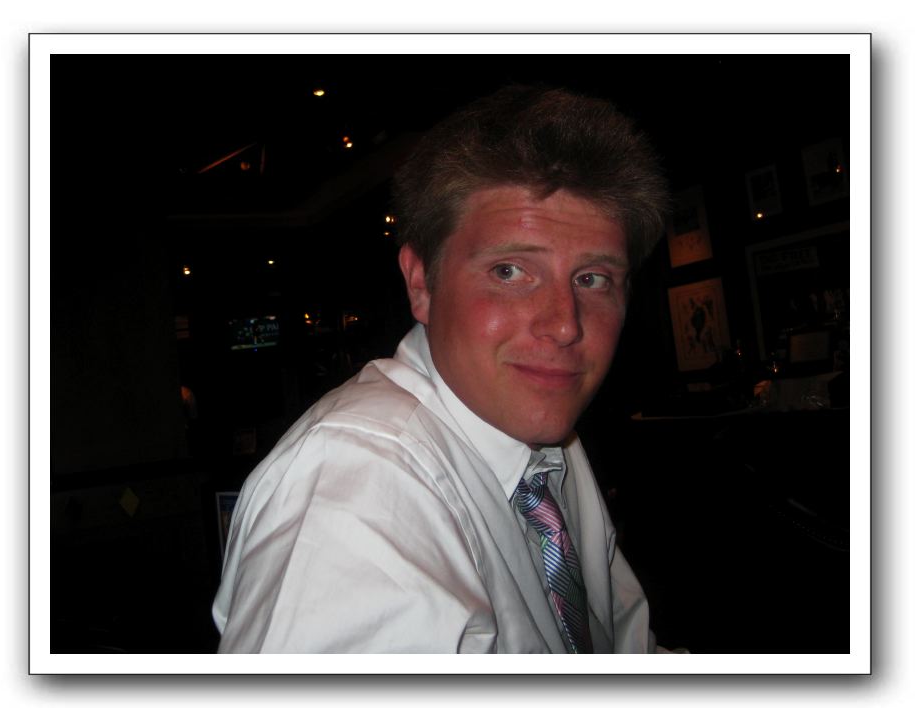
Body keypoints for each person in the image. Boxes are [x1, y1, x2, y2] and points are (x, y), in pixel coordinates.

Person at [212, 85, 669, 653]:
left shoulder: (550, 449)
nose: (564, 325)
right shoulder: (358, 485)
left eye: (592, 279)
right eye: (509, 271)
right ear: (421, 284)